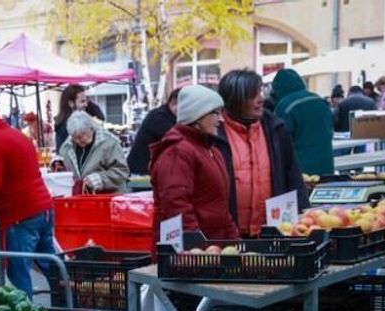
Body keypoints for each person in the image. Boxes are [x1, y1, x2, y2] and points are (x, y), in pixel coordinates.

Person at [0, 105, 54, 298]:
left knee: (18, 271)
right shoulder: (18, 136)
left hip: (19, 215)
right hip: (44, 208)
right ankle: (68, 307)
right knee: (52, 266)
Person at [216, 69, 307, 237]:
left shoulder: (275, 128)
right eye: (252, 95)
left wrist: (303, 214)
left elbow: (293, 176)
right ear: (234, 100)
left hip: (273, 231)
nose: (261, 99)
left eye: (260, 92)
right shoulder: (215, 133)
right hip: (228, 236)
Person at [150, 85, 238, 241]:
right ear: (197, 115)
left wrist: (234, 240)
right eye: (215, 113)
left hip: (215, 250)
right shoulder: (177, 152)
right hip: (191, 256)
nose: (221, 119)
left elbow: (221, 206)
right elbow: (176, 207)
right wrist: (197, 248)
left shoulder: (211, 150)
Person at [270, 68, 334, 176]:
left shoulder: (285, 106)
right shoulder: (319, 101)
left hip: (300, 170)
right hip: (326, 165)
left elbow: (279, 142)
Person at [58, 111, 129, 194]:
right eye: (74, 137)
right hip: (79, 201)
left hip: (106, 199)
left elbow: (122, 171)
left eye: (81, 136)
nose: (77, 141)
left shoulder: (109, 143)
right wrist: (58, 164)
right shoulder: (67, 146)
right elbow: (63, 169)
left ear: (91, 129)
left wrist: (100, 179)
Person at [127, 88, 181, 175]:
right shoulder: (159, 117)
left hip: (149, 170)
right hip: (141, 171)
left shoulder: (167, 116)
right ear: (174, 103)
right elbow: (177, 138)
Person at [54, 84, 106, 149]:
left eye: (87, 101)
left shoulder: (64, 122)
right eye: (82, 101)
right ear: (71, 103)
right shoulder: (67, 125)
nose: (86, 105)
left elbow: (100, 118)